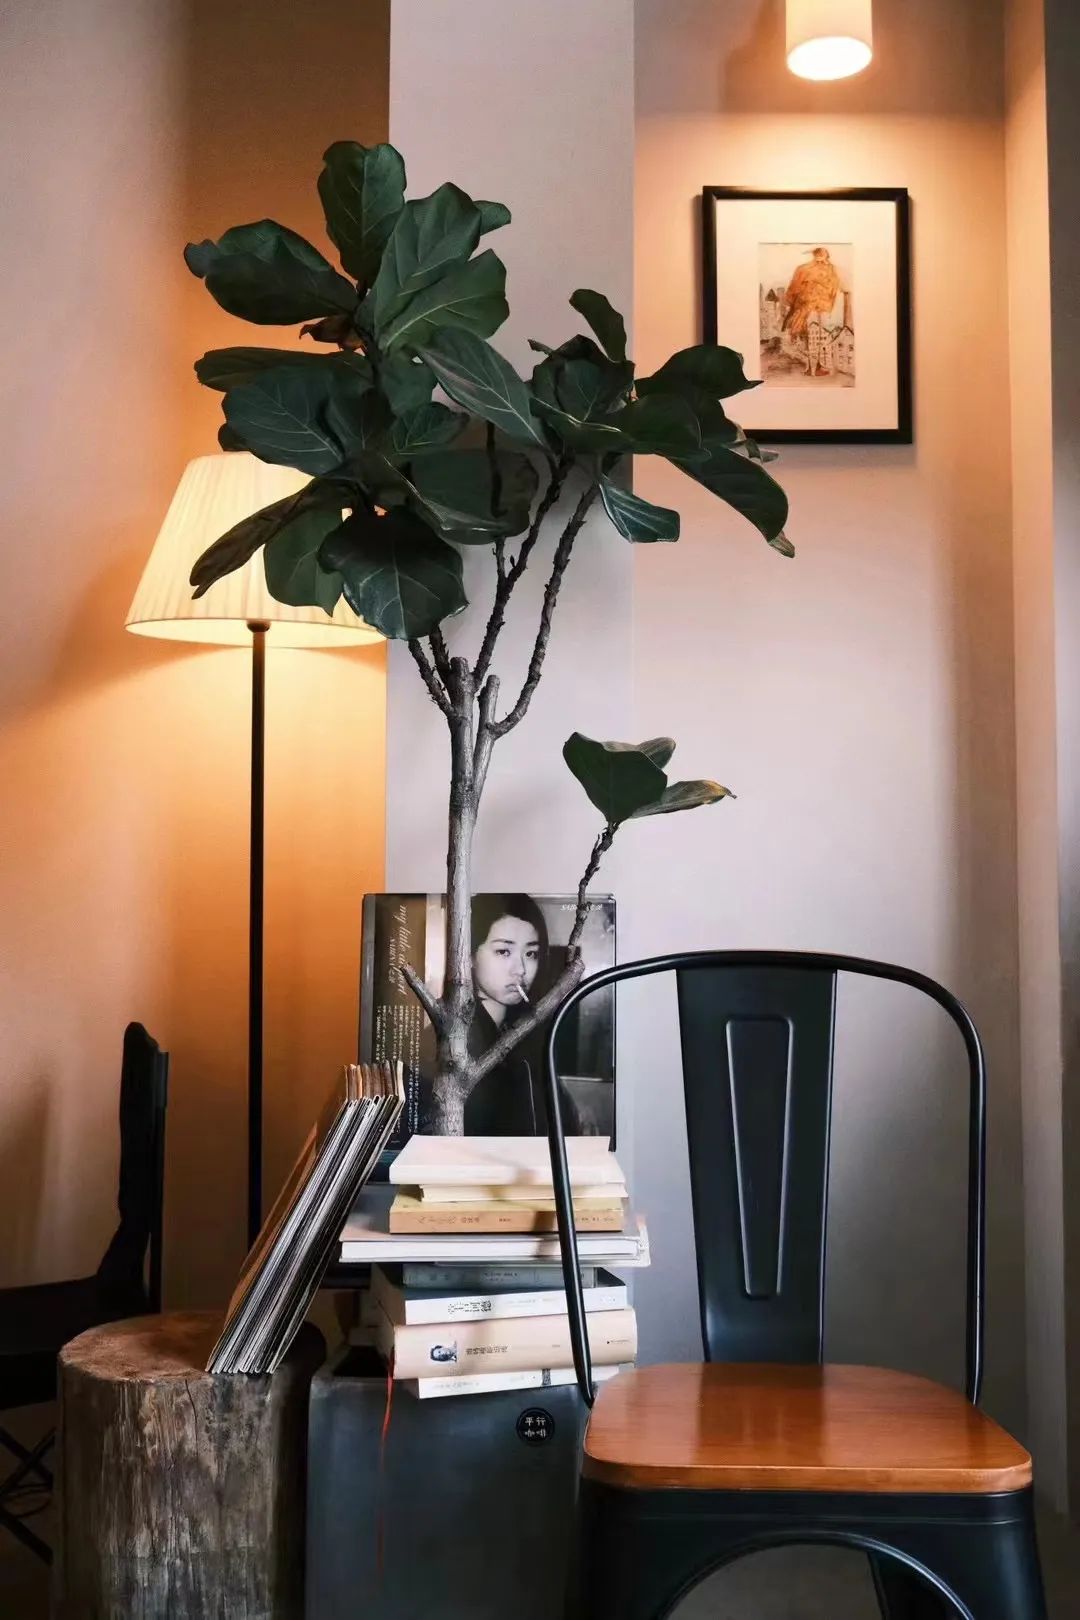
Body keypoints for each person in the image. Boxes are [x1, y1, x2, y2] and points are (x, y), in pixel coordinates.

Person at [462, 894, 579, 1136]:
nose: (521, 970)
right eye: (504, 951)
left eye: (531, 954)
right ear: (470, 954)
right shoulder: (458, 1041)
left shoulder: (528, 1033)